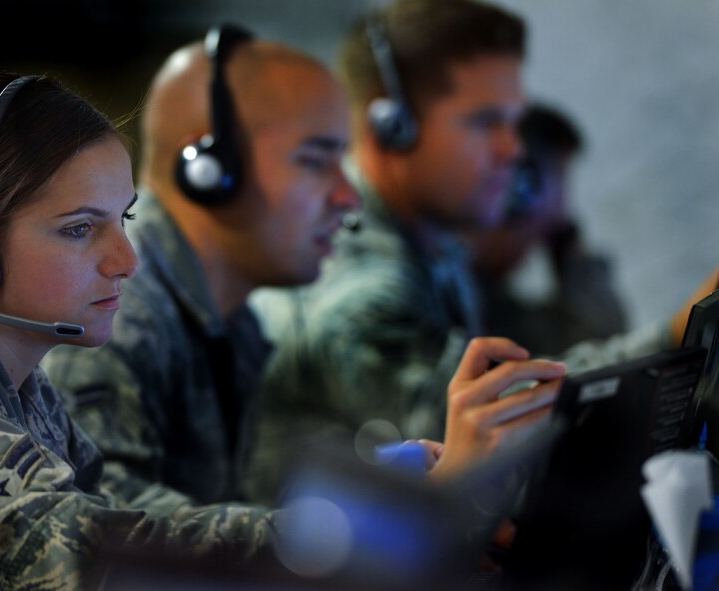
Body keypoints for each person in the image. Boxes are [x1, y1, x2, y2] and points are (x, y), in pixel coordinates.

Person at [40, 23, 567, 562]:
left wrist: (397, 484)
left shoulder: (232, 321)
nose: (348, 197)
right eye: (316, 161)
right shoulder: (116, 311)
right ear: (212, 171)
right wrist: (403, 512)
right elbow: (113, 541)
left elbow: (218, 511)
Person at [244, 0, 714, 506]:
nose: (512, 149)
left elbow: (539, 347)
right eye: (486, 122)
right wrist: (678, 331)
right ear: (391, 127)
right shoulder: (360, 295)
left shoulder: (432, 241)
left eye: (514, 122)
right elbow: (491, 425)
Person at [0, 72, 260, 591]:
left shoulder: (14, 378)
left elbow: (110, 523)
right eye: (79, 228)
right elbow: (82, 568)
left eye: (123, 218)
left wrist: (310, 535)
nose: (127, 261)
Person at [464, 102, 629, 355]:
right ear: (518, 193)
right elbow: (602, 347)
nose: (561, 212)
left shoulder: (485, 298)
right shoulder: (460, 301)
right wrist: (568, 245)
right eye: (543, 229)